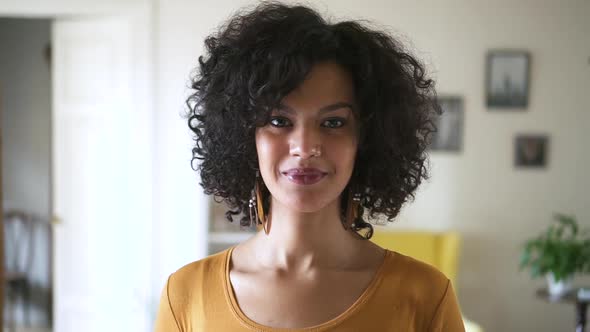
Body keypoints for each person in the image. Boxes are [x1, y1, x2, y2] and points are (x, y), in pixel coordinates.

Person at [155, 2, 465, 331]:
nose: (304, 148)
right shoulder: (186, 294)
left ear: (367, 139)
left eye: (333, 122)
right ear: (245, 136)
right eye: (278, 120)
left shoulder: (425, 296)